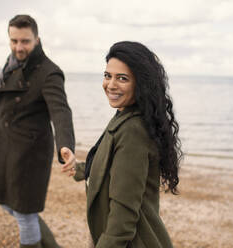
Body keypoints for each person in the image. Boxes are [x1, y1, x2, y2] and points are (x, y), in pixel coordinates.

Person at [72, 41, 182, 248]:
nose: (111, 85)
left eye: (122, 78)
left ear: (141, 84)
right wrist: (78, 168)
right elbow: (110, 165)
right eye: (107, 75)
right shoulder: (125, 115)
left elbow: (123, 214)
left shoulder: (133, 131)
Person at [0, 14, 75, 248]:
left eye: (25, 41)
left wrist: (66, 146)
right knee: (8, 203)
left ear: (37, 39)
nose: (19, 47)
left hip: (29, 153)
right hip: (6, 145)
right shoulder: (13, 62)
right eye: (14, 41)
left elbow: (61, 111)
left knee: (24, 212)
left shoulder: (49, 72)